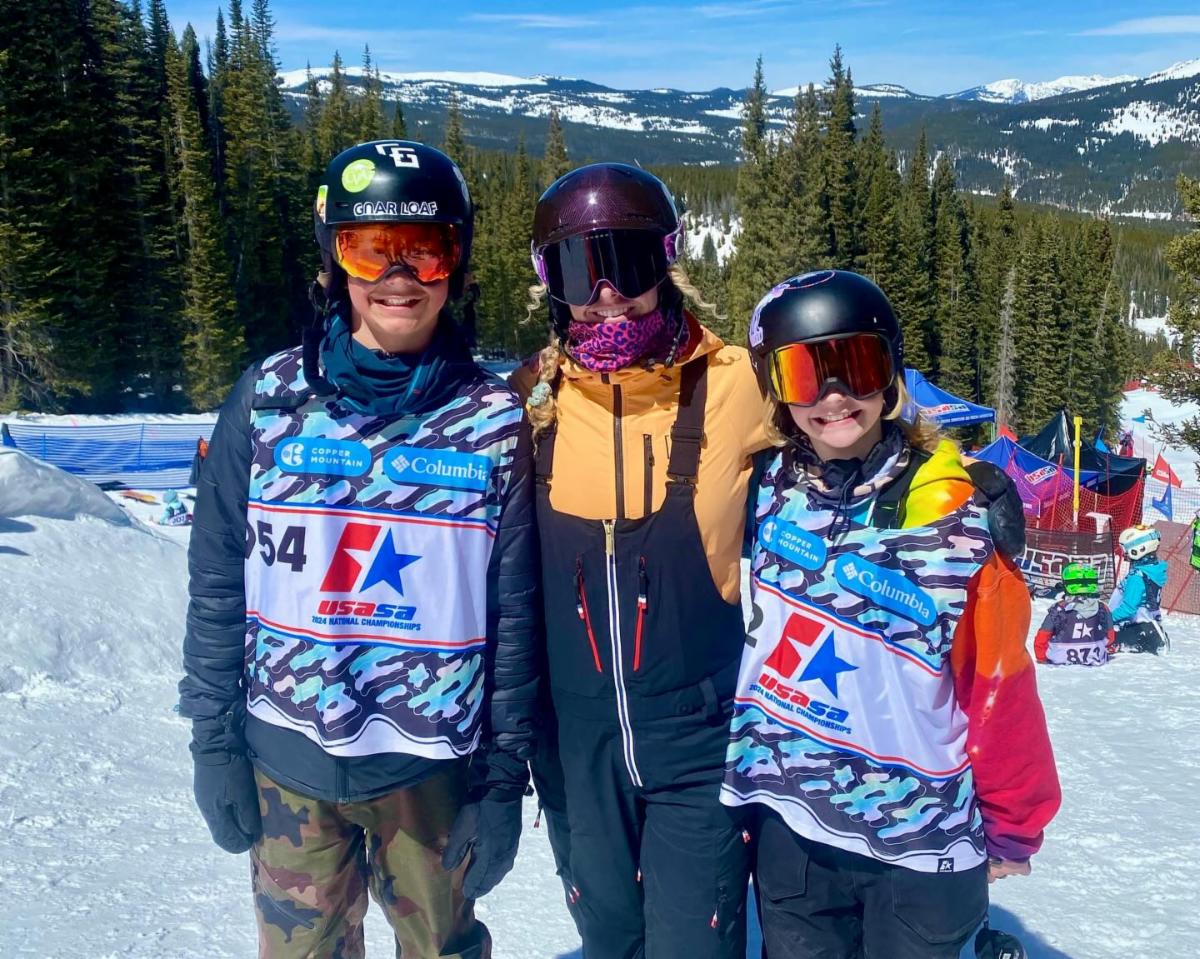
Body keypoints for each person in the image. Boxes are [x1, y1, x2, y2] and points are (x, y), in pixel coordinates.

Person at [178, 140, 539, 959]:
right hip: (289, 759)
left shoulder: (493, 422)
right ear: (334, 262)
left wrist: (502, 779)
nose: (399, 276)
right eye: (371, 249)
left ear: (456, 264)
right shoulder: (268, 399)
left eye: (426, 250)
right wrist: (213, 738)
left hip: (432, 771)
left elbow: (514, 616)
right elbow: (218, 583)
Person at [723, 270, 1060, 959]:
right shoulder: (762, 488)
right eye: (804, 374)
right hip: (794, 824)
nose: (834, 395)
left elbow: (998, 683)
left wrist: (1014, 819)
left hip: (921, 841)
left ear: (891, 374)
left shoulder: (956, 513)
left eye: (858, 366)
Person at [511, 162, 767, 959]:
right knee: (611, 939)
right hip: (576, 746)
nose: (608, 295)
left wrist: (951, 481)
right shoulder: (527, 402)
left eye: (627, 263)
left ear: (667, 260)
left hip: (699, 739)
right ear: (550, 283)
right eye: (580, 271)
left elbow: (850, 413)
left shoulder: (736, 384)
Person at [1034, 563, 1115, 666]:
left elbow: (1042, 638)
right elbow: (1110, 637)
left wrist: (1041, 658)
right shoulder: (1102, 608)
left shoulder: (1058, 609)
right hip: (1095, 661)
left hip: (1060, 663)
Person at [1111, 524, 1169, 654]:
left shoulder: (1137, 577)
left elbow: (1129, 608)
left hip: (1135, 627)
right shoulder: (1152, 570)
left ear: (1138, 549)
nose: (1125, 553)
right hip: (1146, 623)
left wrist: (1107, 618)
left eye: (1125, 549)